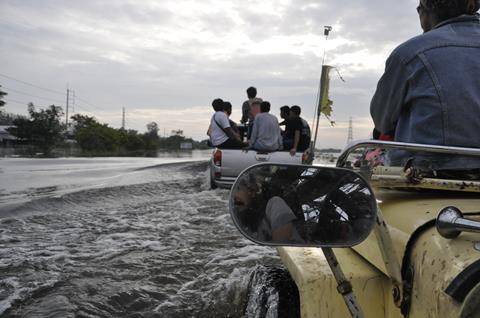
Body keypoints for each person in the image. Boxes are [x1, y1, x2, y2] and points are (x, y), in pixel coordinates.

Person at [371, 0, 480, 150]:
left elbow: (382, 120)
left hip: (429, 165)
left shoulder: (408, 53)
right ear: (472, 6)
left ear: (424, 12)